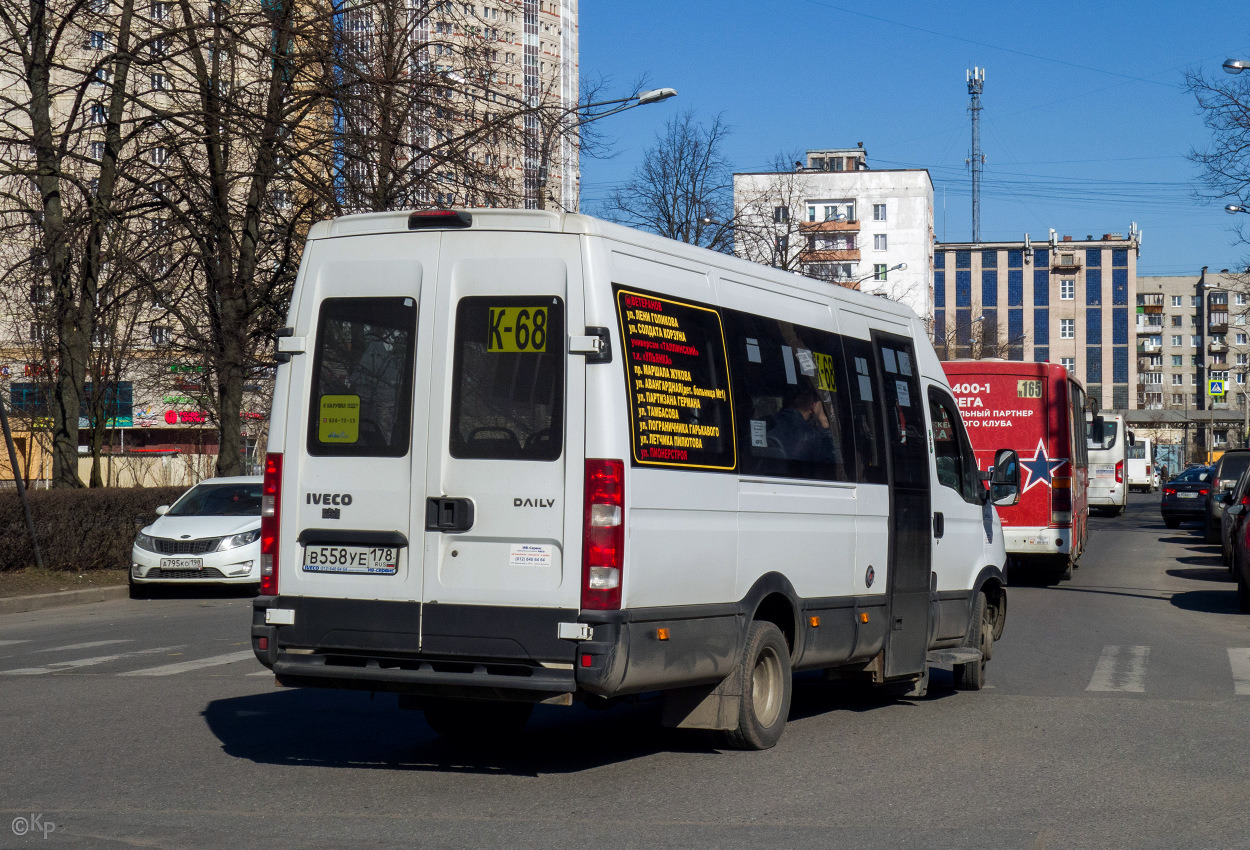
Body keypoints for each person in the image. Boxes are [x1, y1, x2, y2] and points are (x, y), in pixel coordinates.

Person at [766, 386, 839, 463]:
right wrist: (824, 423)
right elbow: (833, 465)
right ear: (813, 407)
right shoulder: (811, 436)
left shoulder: (767, 421)